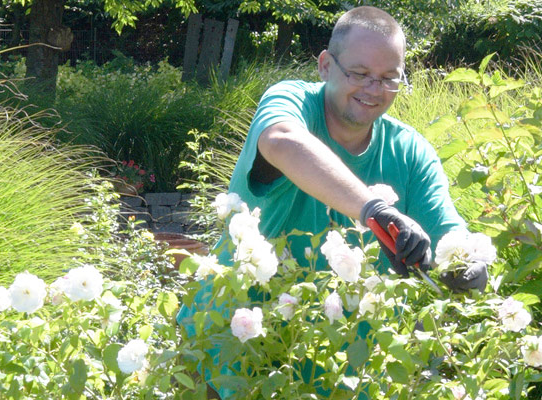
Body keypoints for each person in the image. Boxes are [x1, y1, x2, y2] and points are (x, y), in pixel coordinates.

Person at [178, 6, 489, 398]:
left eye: (388, 78)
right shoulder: (291, 103)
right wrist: (373, 208)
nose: (374, 89)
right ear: (325, 65)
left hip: (344, 370)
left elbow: (448, 233)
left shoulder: (409, 151)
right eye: (359, 74)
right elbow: (283, 143)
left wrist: (468, 263)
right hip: (235, 361)